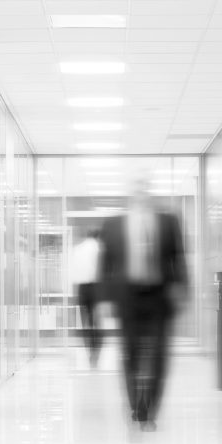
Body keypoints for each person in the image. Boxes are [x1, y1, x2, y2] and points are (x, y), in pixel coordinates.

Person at [99, 177, 188, 431]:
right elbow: (106, 265)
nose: (141, 192)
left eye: (144, 188)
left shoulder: (168, 221)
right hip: (127, 297)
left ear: (150, 193)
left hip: (159, 296)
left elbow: (178, 259)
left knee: (159, 355)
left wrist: (182, 288)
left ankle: (150, 408)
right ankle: (135, 405)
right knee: (130, 354)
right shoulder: (114, 224)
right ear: (130, 194)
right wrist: (105, 299)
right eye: (136, 188)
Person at [71, 229, 104, 366]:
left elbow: (73, 271)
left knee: (86, 320)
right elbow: (102, 271)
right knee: (96, 320)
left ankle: (89, 349)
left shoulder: (77, 249)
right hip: (96, 287)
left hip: (82, 288)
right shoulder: (99, 248)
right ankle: (96, 349)